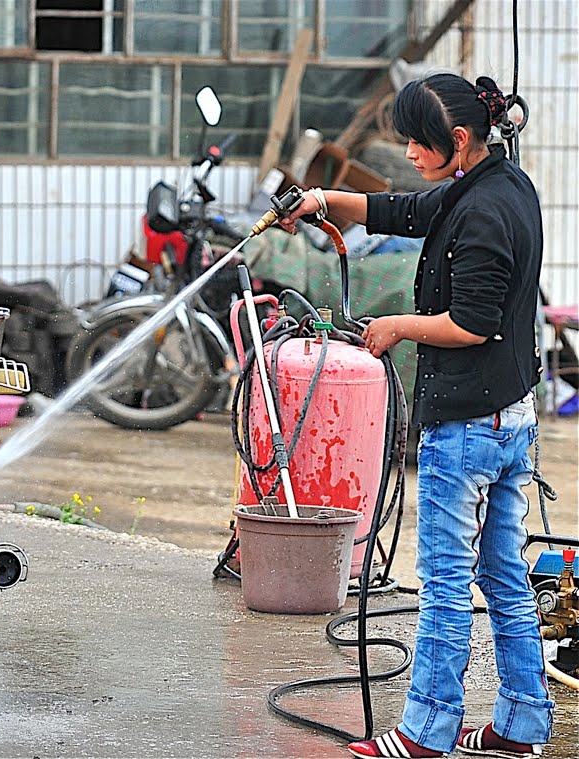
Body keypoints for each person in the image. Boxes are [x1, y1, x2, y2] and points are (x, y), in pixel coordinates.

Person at [279, 73, 554, 759]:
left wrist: (399, 325)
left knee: (444, 584)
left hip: (467, 429)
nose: (406, 150)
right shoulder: (501, 184)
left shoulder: (485, 214)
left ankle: (426, 732)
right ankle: (522, 724)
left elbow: (473, 322)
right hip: (509, 418)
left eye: (416, 141)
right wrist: (325, 202)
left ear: (457, 141)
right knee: (501, 578)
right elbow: (409, 209)